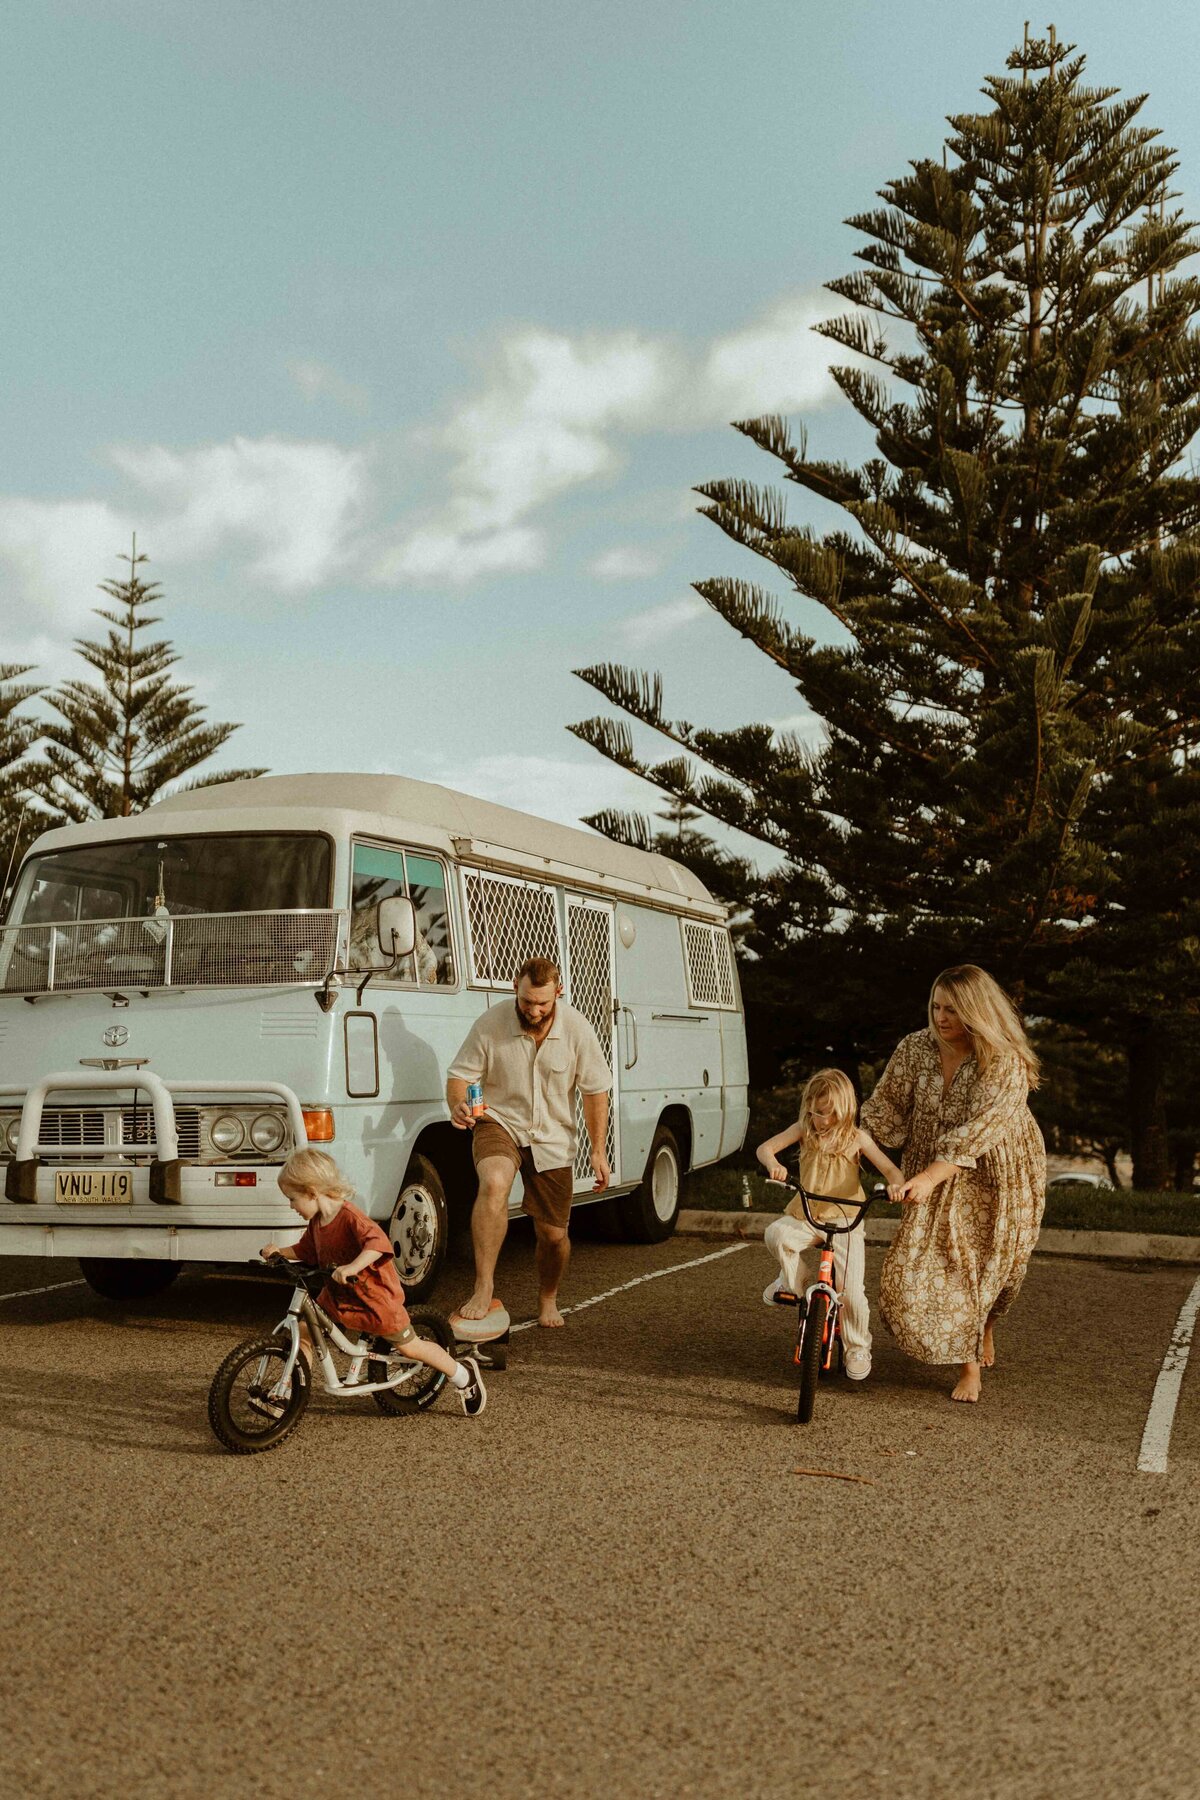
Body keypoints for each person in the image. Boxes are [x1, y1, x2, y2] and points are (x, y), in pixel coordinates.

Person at [861, 964, 1046, 1405]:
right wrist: (845, 1146)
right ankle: (968, 1336)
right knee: (909, 1274)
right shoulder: (915, 1048)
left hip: (997, 1173)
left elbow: (977, 1133)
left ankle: (974, 1352)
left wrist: (927, 1177)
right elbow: (884, 1108)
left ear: (977, 1012)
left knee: (989, 1269)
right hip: (928, 1165)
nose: (941, 1017)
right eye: (936, 1006)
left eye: (953, 1009)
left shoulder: (1004, 1061)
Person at [447, 955, 612, 1329]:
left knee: (553, 1236)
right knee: (494, 1182)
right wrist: (458, 1104)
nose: (534, 1010)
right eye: (526, 1001)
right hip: (500, 1121)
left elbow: (595, 1091)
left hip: (552, 1135)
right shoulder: (491, 1023)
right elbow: (459, 1076)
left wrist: (598, 1151)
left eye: (543, 1003)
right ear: (514, 989)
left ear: (559, 992)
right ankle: (483, 1285)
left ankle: (548, 1297)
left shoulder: (577, 1029)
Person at [261, 1147, 486, 1416]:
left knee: (410, 1348)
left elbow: (378, 1244)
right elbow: (306, 1250)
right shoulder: (318, 1222)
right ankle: (286, 1394)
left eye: (293, 1198)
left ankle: (462, 1374)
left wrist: (352, 1266)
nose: (291, 1206)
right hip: (340, 1295)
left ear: (311, 1191)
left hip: (375, 1298)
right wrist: (279, 1252)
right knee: (304, 1333)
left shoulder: (350, 1217)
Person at [756, 1068, 903, 1381]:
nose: (822, 1120)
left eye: (829, 1114)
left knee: (851, 1290)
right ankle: (793, 1280)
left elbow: (891, 1170)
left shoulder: (857, 1138)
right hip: (807, 1214)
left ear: (845, 1109)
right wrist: (774, 1164)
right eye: (816, 1112)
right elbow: (765, 1148)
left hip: (847, 1220)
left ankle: (857, 1347)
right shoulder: (805, 1130)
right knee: (776, 1234)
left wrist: (895, 1186)